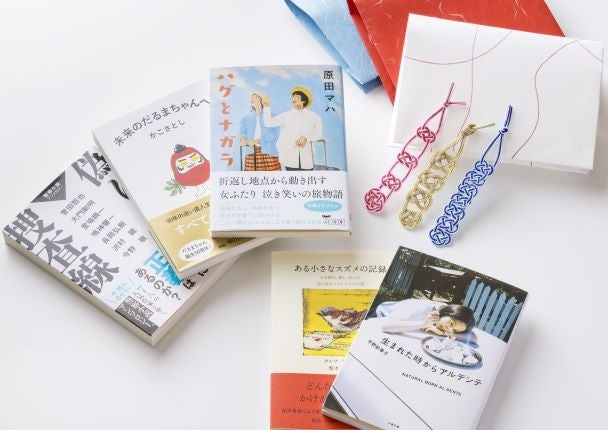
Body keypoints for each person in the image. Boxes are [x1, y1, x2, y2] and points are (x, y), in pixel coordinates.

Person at [262, 86, 323, 170]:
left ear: (304, 100)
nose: (293, 99)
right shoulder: (287, 115)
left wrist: (306, 138)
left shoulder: (314, 117)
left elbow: (318, 134)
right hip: (289, 157)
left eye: (297, 97)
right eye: (293, 97)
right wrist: (266, 107)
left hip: (306, 158)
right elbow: (269, 123)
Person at [377, 299, 476, 338]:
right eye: (451, 323)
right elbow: (385, 326)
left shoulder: (442, 314)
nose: (449, 329)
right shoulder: (420, 308)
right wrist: (423, 324)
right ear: (448, 312)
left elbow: (474, 339)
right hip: (378, 315)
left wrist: (443, 333)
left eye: (454, 330)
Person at [239, 91, 280, 170]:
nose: (252, 98)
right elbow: (242, 132)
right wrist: (243, 139)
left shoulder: (272, 116)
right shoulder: (245, 118)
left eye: (256, 97)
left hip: (269, 152)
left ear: (262, 100)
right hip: (251, 152)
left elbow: (275, 133)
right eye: (251, 97)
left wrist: (258, 141)